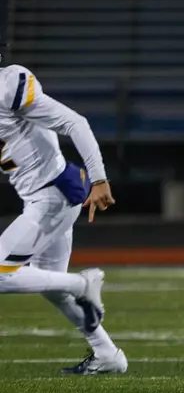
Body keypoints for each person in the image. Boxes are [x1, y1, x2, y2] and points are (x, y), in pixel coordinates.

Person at [0, 50, 123, 374]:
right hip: (45, 194)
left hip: (54, 193)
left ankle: (82, 286)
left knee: (1, 273)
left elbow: (74, 122)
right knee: (52, 289)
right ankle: (107, 355)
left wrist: (99, 178)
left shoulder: (7, 85)